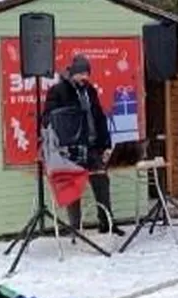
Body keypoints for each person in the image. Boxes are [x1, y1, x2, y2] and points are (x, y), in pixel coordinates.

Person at [44, 54, 124, 237]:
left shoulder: (90, 90)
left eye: (86, 74)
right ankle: (75, 228)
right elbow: (47, 118)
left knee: (101, 181)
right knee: (73, 186)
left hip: (93, 146)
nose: (84, 78)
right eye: (80, 74)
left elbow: (99, 117)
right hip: (71, 148)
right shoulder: (58, 91)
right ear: (72, 73)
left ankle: (106, 222)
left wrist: (106, 144)